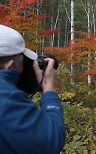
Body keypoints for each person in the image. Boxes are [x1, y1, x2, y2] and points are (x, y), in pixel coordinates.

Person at [0, 24, 66, 154]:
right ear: (10, 64)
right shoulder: (5, 96)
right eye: (22, 63)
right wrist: (49, 89)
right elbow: (50, 142)